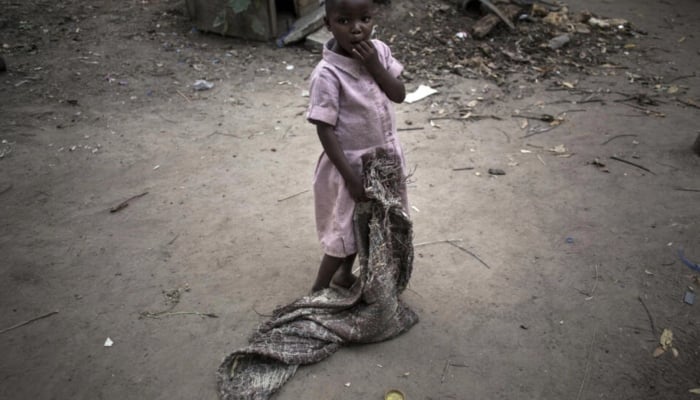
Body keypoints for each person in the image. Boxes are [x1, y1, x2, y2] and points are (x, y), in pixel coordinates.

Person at [306, 0, 408, 293]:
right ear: (328, 25)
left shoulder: (381, 52)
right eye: (344, 21)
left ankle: (342, 277)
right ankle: (317, 290)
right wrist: (351, 178)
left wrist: (374, 65)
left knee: (370, 225)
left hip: (384, 161)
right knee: (344, 232)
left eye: (365, 18)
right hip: (350, 166)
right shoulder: (327, 74)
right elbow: (324, 129)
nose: (357, 28)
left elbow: (398, 94)